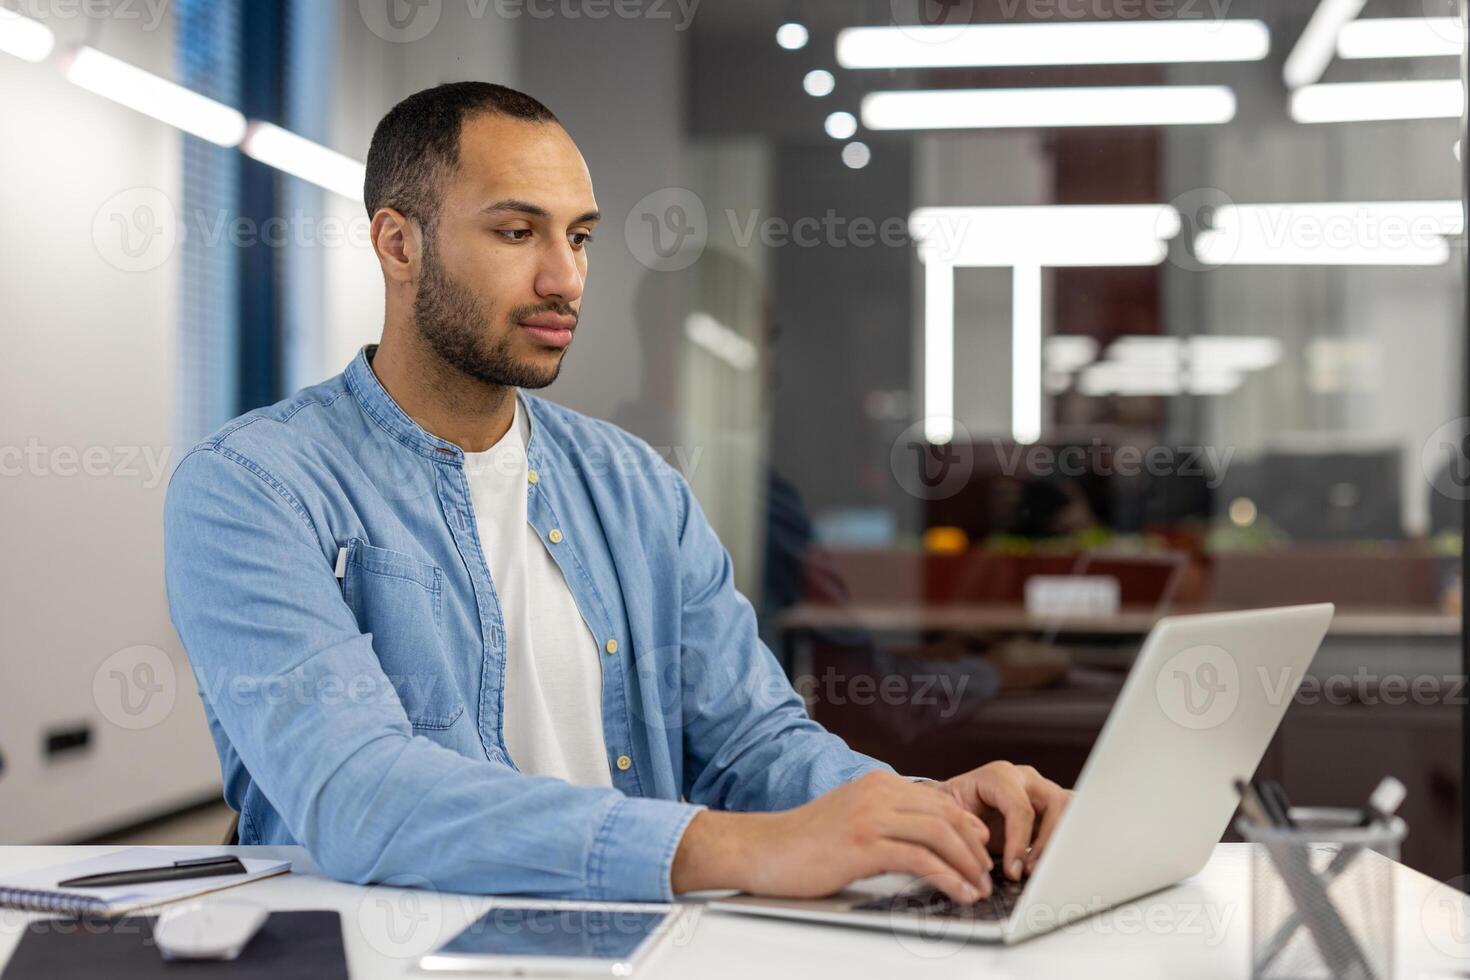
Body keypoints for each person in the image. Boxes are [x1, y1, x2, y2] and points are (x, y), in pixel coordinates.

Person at [163, 81, 1070, 907]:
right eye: (517, 233)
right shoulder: (253, 487)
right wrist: (735, 850)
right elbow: (362, 798)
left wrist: (924, 813)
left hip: (635, 946)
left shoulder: (637, 487)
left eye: (580, 236)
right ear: (397, 244)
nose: (564, 278)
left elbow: (755, 744)